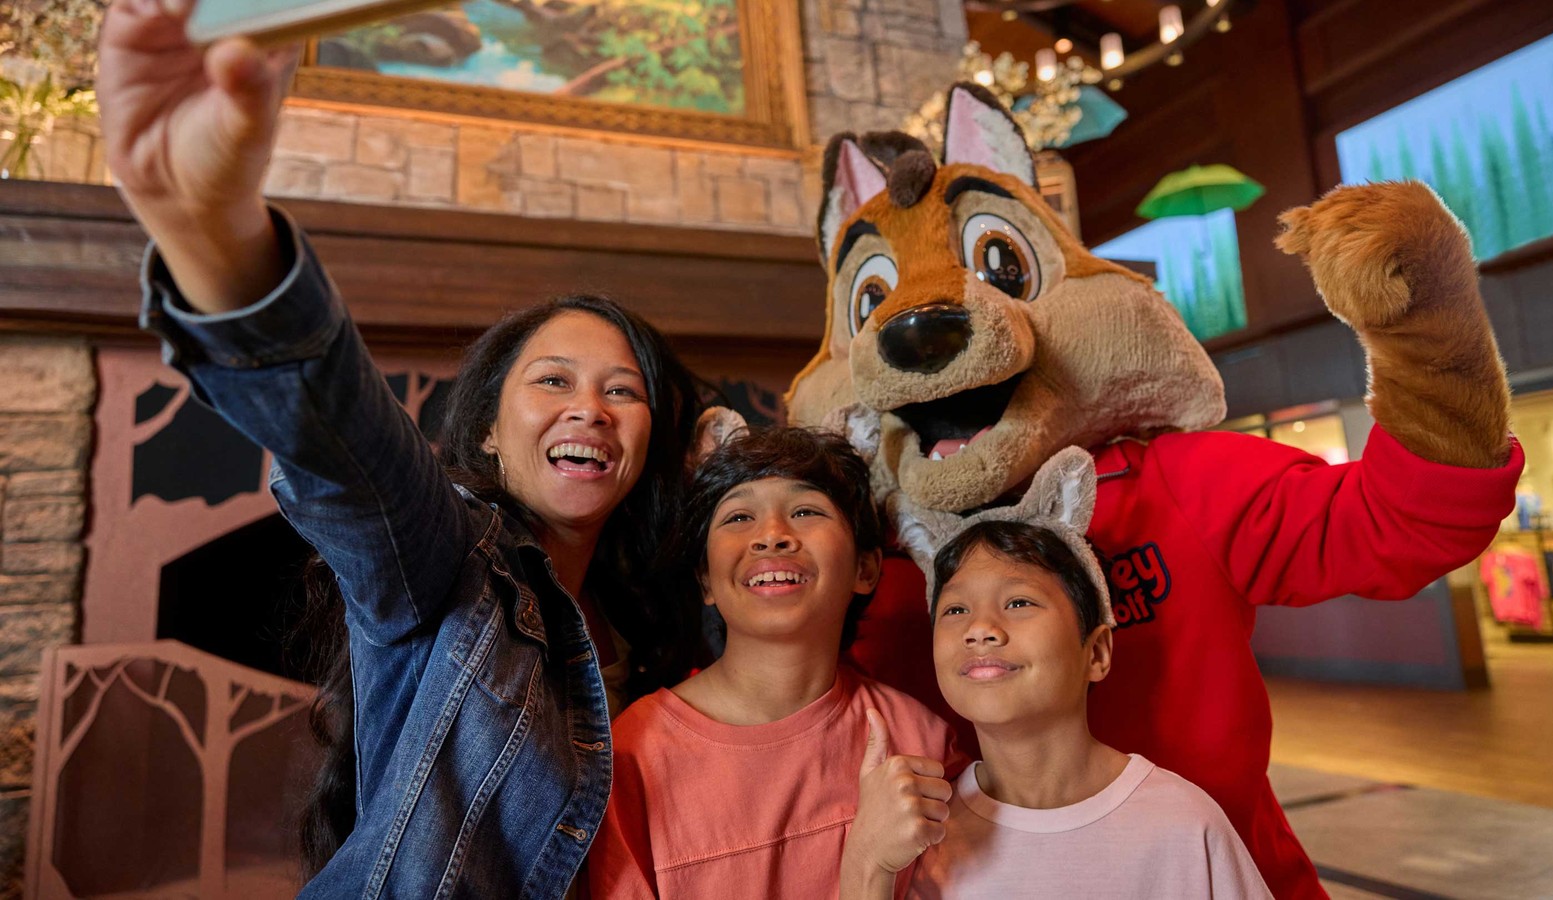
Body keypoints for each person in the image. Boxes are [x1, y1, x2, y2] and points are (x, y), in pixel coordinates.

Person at [97, 2, 703, 896]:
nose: (592, 410)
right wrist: (212, 231)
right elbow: (350, 456)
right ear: (488, 430)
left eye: (623, 391)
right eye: (552, 382)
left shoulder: (663, 620)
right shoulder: (449, 561)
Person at [589, 427, 963, 898]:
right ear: (705, 581)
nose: (771, 536)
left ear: (865, 570)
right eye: (739, 517)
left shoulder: (921, 743)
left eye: (805, 511)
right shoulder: (631, 756)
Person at [843, 521, 1270, 899]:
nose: (979, 630)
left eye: (1018, 603)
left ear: (1097, 652)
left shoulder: (1185, 824)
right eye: (955, 610)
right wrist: (869, 862)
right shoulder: (919, 830)